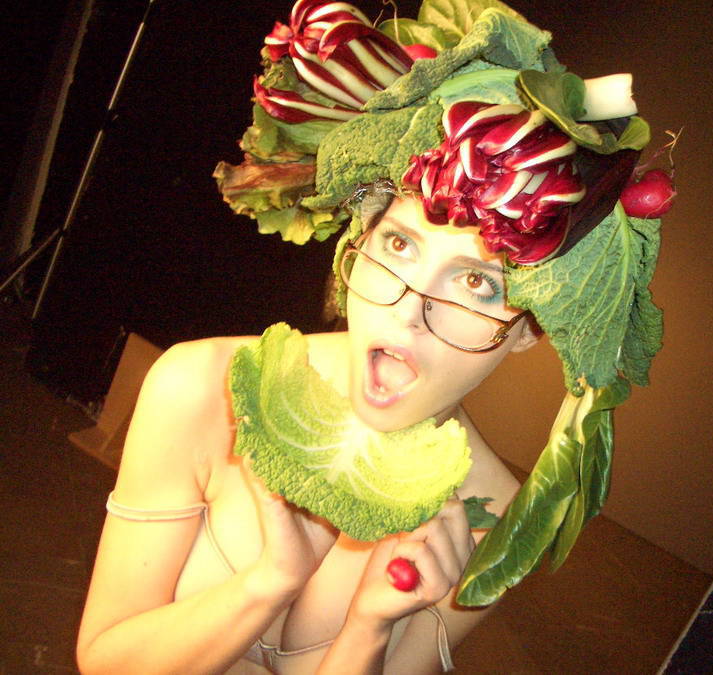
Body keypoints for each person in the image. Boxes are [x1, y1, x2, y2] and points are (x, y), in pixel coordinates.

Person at [78, 0, 667, 672]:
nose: (409, 309)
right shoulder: (201, 388)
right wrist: (269, 581)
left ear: (530, 329)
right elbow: (104, 660)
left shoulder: (489, 519)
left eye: (476, 283)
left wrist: (368, 628)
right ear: (357, 243)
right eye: (399, 244)